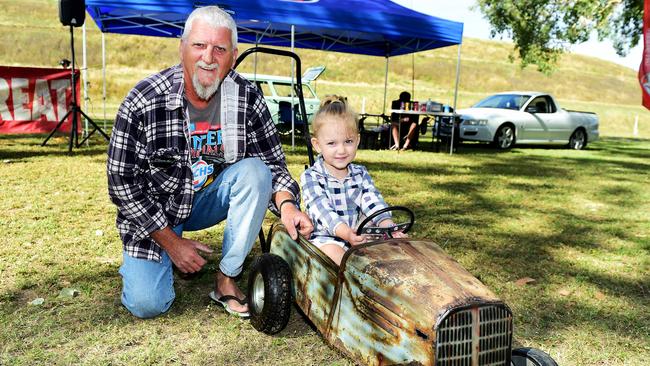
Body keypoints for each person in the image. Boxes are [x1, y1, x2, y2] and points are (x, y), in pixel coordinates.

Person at [106, 6, 313, 319]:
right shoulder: (145, 99)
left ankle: (226, 280)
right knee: (147, 304)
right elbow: (121, 183)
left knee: (255, 171)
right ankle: (146, 263)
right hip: (159, 210)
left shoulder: (248, 97)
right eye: (199, 45)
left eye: (220, 49)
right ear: (182, 48)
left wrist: (287, 206)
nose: (208, 57)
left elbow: (272, 165)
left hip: (209, 198)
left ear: (233, 55)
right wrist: (172, 243)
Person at [300, 96, 406, 265]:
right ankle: (352, 280)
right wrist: (346, 233)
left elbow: (372, 201)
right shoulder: (312, 176)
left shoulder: (360, 173)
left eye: (348, 141)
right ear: (317, 145)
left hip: (358, 236)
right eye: (332, 143)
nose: (341, 150)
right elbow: (323, 212)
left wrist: (388, 226)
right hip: (327, 239)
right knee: (336, 254)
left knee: (390, 252)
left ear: (357, 140)